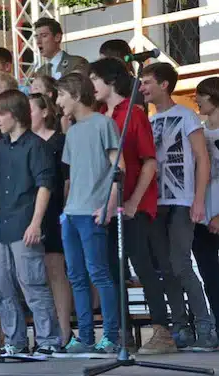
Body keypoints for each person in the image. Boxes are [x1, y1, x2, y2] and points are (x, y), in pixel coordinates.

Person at [90, 58, 177, 354]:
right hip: (108, 205)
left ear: (111, 80)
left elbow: (149, 161)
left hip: (134, 204)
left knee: (143, 265)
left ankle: (163, 331)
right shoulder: (100, 114)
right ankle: (123, 333)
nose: (91, 86)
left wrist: (133, 202)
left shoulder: (133, 114)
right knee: (114, 270)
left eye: (95, 79)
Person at [141, 63, 216, 350]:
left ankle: (205, 326)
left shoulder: (186, 117)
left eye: (148, 82)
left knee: (182, 263)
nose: (143, 88)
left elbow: (202, 159)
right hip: (156, 203)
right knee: (167, 268)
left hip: (182, 201)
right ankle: (181, 327)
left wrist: (198, 200)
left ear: (164, 85)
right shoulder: (148, 121)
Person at [0, 90, 60, 356]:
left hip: (24, 223)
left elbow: (44, 186)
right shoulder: (2, 145)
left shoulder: (36, 146)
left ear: (14, 114)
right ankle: (15, 341)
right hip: (3, 226)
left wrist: (36, 223)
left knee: (33, 283)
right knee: (1, 287)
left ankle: (48, 339)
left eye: (0, 114)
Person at [53, 73, 122, 357]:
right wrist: (65, 211)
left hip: (92, 211)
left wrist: (108, 205)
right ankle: (85, 336)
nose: (58, 102)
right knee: (76, 277)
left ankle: (111, 336)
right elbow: (71, 175)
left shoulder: (103, 124)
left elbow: (120, 168)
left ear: (76, 95)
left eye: (61, 95)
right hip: (71, 214)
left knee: (99, 274)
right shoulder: (72, 130)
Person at [28, 93, 73, 347]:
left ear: (45, 112)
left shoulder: (59, 140)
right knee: (36, 273)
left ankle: (64, 329)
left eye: (31, 109)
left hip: (55, 207)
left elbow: (66, 179)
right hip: (31, 209)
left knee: (56, 269)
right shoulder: (25, 142)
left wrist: (65, 209)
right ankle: (45, 329)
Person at [192, 77, 219, 340]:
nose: (197, 100)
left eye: (200, 95)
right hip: (202, 210)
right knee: (209, 273)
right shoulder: (199, 131)